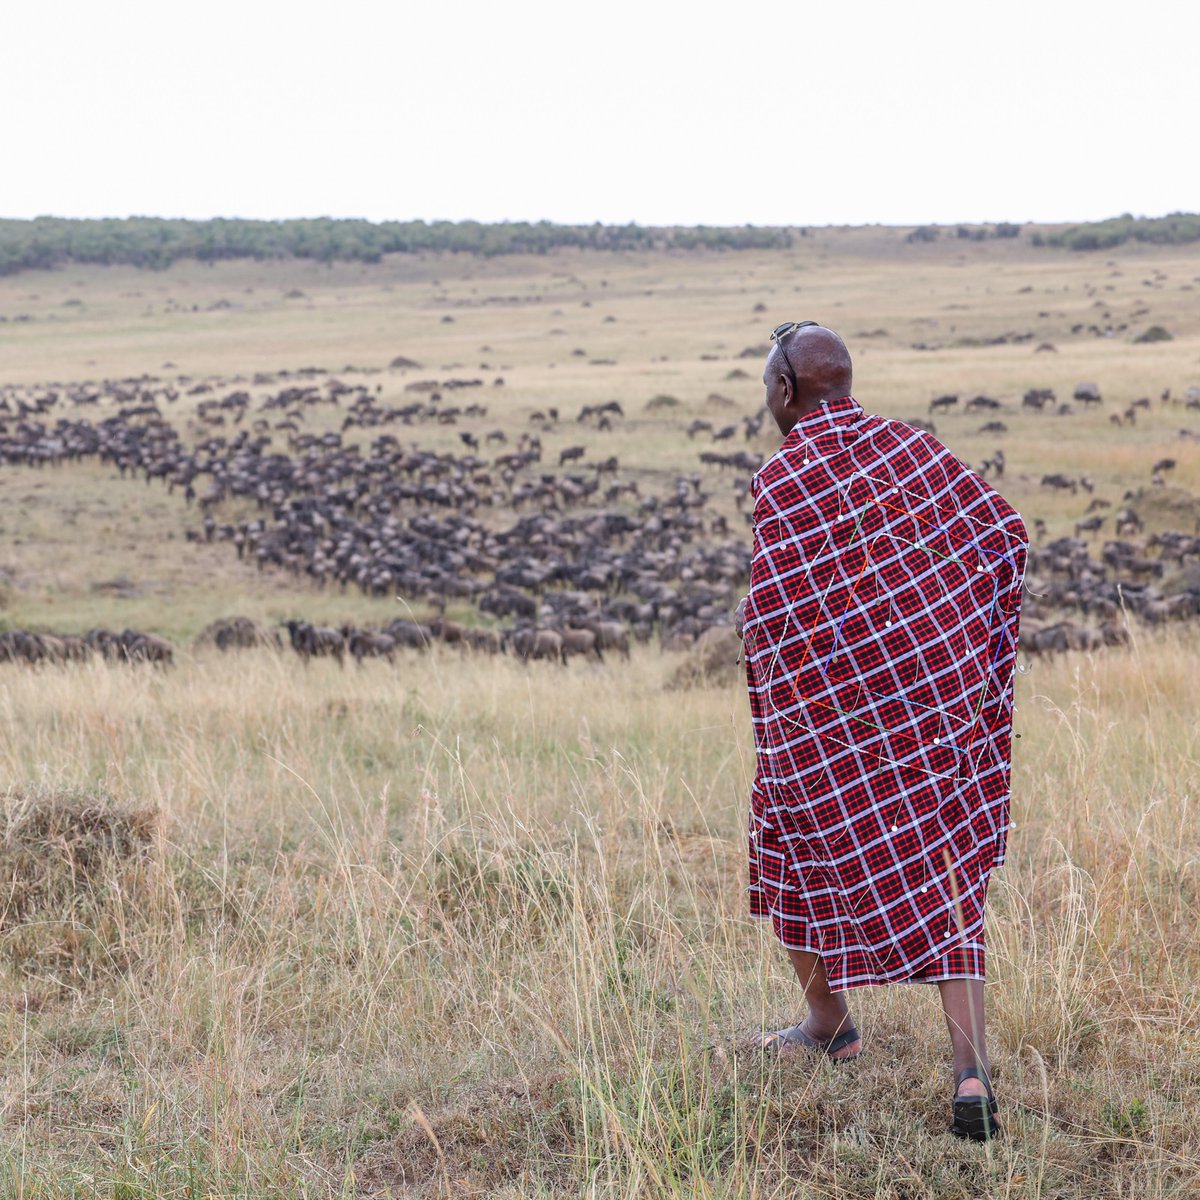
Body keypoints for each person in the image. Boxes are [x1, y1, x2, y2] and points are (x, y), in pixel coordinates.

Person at [734, 322, 1027, 1142]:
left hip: (827, 721)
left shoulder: (784, 474)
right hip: (930, 710)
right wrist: (958, 650)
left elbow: (776, 610)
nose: (767, 404)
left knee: (789, 837)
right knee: (945, 872)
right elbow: (1004, 534)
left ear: (787, 392)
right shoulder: (915, 450)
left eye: (768, 390)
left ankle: (830, 1022)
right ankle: (966, 1071)